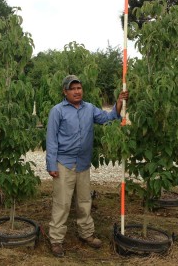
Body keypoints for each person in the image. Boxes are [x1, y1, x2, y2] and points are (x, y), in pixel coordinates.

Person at [46, 74, 129, 257]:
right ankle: (56, 240)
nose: (77, 92)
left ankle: (87, 234)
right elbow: (51, 140)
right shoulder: (57, 111)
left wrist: (119, 102)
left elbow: (109, 117)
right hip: (63, 164)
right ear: (65, 92)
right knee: (62, 203)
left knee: (84, 201)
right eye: (73, 89)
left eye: (79, 88)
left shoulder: (89, 108)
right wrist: (51, 165)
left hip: (83, 163)